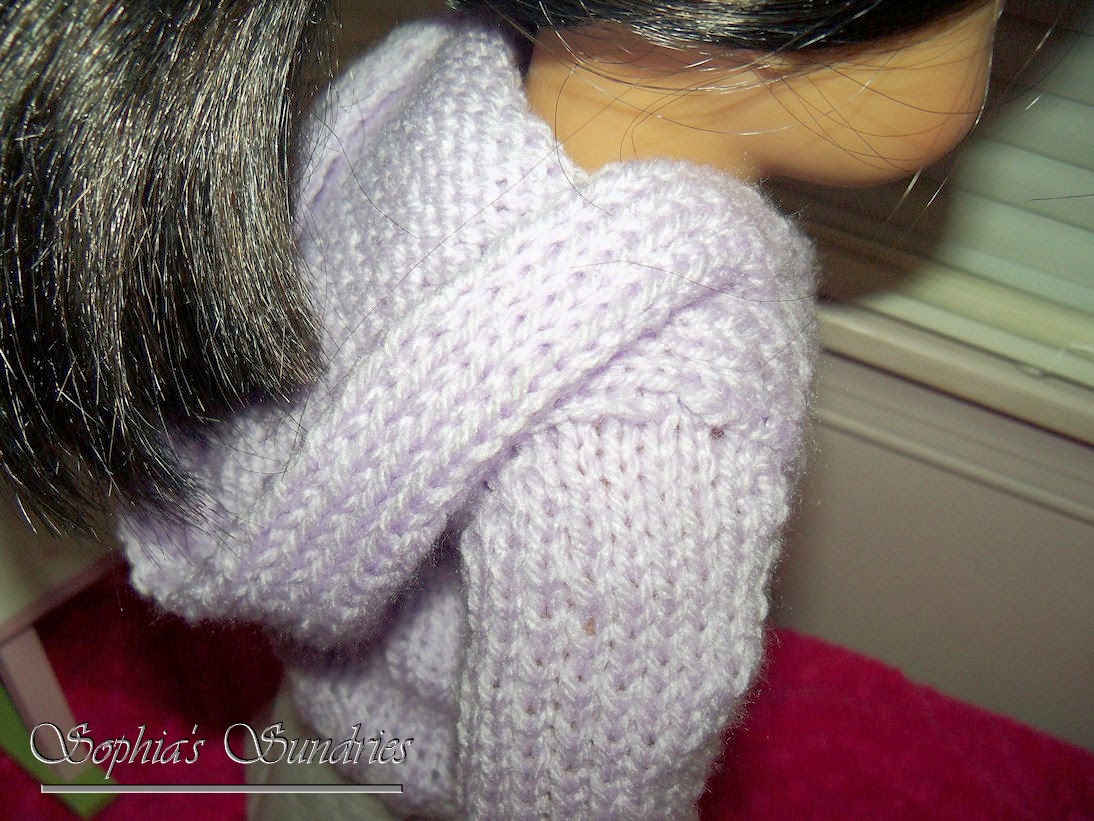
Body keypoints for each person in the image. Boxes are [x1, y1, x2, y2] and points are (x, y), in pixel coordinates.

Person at [0, 1, 1000, 816]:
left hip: (325, 726)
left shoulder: (426, 84)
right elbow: (577, 789)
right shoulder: (653, 416)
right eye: (985, 21)